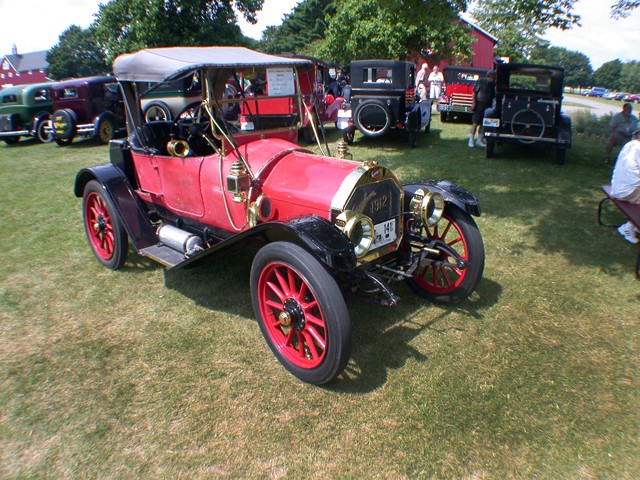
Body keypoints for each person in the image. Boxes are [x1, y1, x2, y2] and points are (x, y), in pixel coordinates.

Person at [611, 128, 640, 243]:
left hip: (618, 187)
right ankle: (628, 227)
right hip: (628, 192)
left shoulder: (630, 144)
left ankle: (635, 225)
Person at [468, 70, 496, 148]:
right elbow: (474, 93)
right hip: (479, 104)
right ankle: (471, 140)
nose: (494, 79)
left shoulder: (492, 85)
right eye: (494, 77)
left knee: (483, 123)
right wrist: (473, 103)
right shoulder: (481, 81)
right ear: (491, 76)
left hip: (487, 105)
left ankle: (479, 140)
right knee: (475, 122)